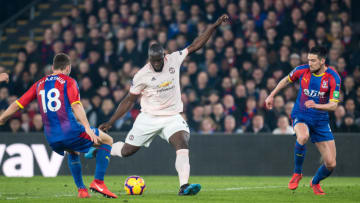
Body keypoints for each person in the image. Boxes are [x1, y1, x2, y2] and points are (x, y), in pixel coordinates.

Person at [85, 14, 230, 196]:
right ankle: (100, 150)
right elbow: (129, 100)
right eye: (153, 61)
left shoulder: (174, 59)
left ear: (163, 56)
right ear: (149, 59)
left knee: (182, 143)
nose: (156, 64)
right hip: (149, 117)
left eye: (159, 60)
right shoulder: (141, 75)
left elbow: (196, 44)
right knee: (126, 151)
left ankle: (184, 186)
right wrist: (111, 121)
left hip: (172, 117)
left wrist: (215, 26)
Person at [0, 53, 117, 199]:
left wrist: (2, 118)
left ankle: (82, 190)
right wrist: (87, 127)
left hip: (51, 138)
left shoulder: (39, 83)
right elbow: (76, 105)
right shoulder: (69, 81)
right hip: (71, 131)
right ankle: (98, 182)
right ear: (67, 68)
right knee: (107, 141)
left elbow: (18, 104)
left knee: (73, 151)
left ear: (53, 67)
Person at [265, 46, 341, 195]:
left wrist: (316, 105)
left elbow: (334, 105)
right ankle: (297, 173)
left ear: (322, 61)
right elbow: (285, 80)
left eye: (313, 60)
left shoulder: (333, 77)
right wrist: (271, 95)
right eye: (308, 60)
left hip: (320, 120)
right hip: (301, 114)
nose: (310, 63)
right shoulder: (302, 70)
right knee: (303, 136)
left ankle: (315, 182)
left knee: (331, 164)